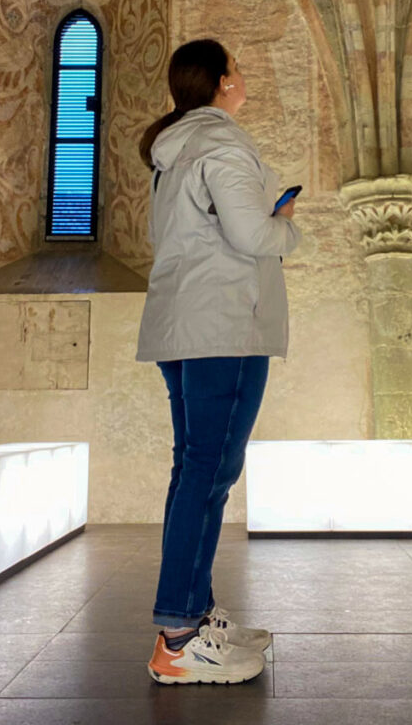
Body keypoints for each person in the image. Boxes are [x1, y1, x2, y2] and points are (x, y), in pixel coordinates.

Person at [137, 38, 301, 685]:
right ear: (220, 82)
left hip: (181, 328)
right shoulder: (223, 144)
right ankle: (177, 637)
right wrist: (286, 220)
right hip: (224, 327)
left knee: (196, 471)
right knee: (207, 476)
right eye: (237, 68)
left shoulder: (171, 154)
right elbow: (253, 236)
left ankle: (196, 615)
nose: (243, 76)